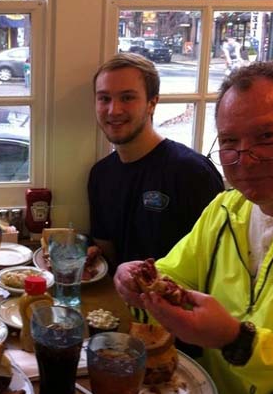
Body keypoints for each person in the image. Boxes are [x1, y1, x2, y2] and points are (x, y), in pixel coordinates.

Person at [114, 60, 273, 394]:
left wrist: (237, 341)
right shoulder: (225, 209)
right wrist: (137, 283)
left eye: (267, 137)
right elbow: (173, 276)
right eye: (230, 141)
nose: (245, 159)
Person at [88, 53, 224, 270]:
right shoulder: (100, 175)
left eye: (127, 98)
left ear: (152, 103)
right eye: (104, 98)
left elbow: (217, 261)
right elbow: (108, 256)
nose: (114, 110)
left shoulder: (192, 172)